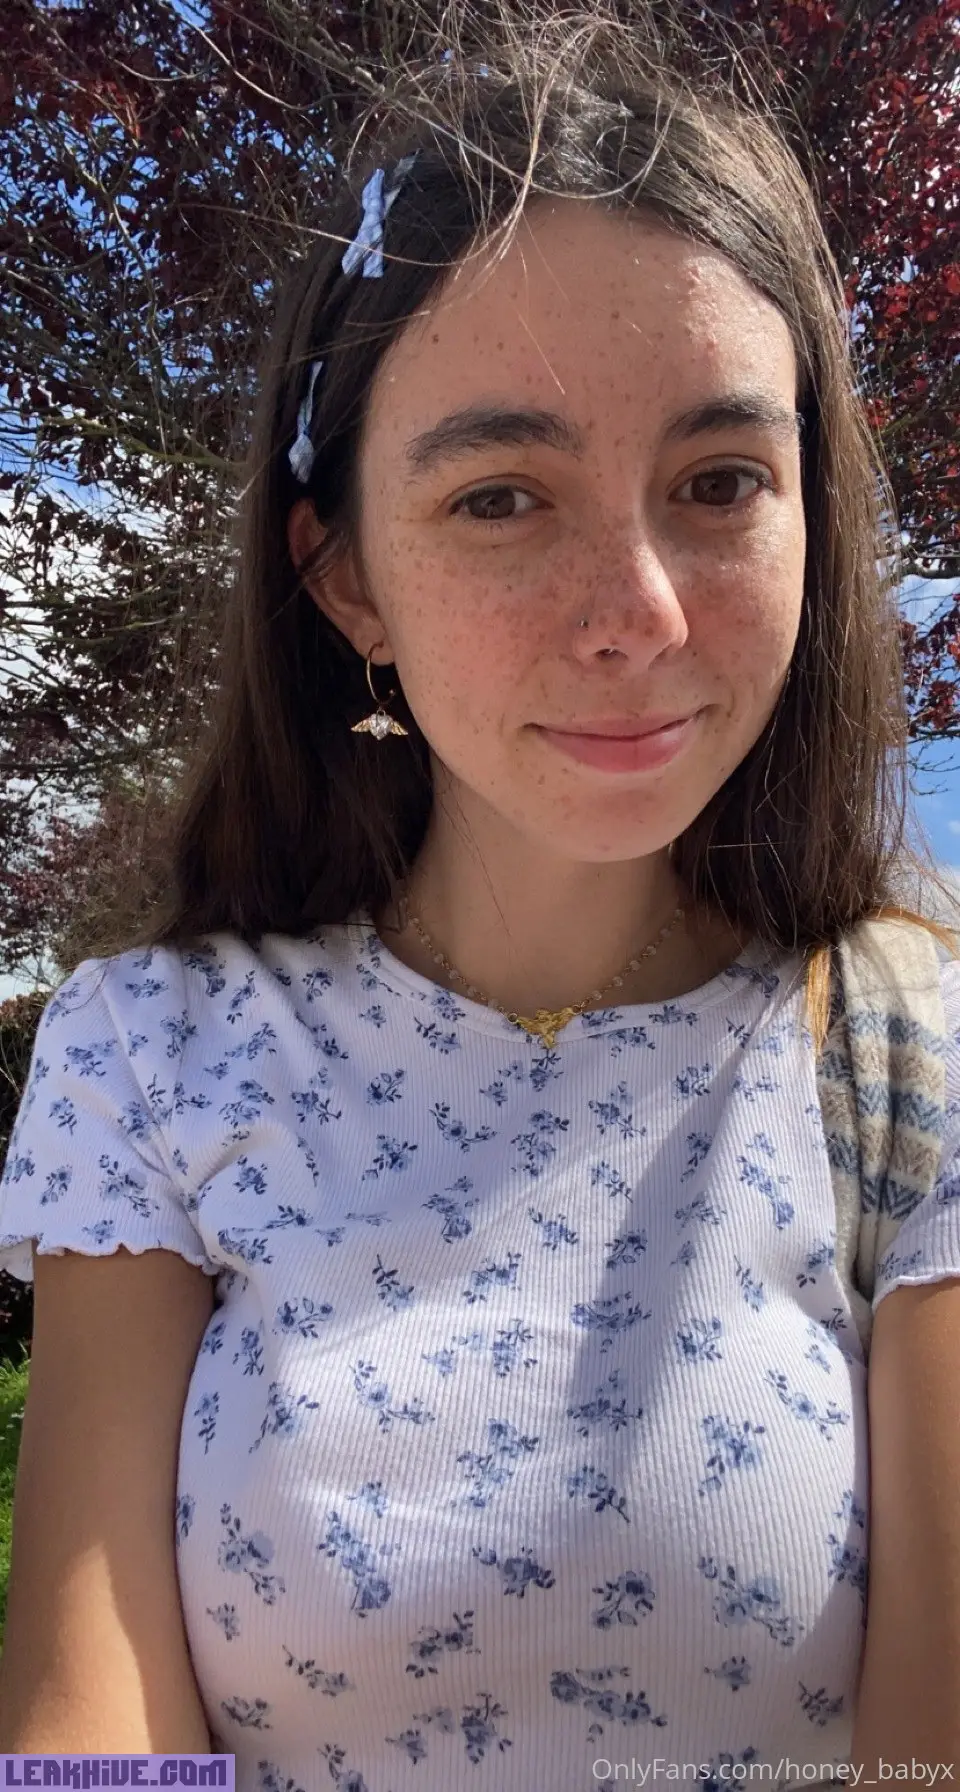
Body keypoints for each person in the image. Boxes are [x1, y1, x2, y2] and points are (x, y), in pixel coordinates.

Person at [0, 6, 959, 1785]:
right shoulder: (151, 1062)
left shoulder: (922, 1058)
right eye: (503, 497)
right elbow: (89, 1732)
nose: (639, 614)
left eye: (721, 482)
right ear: (347, 579)